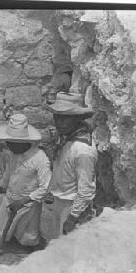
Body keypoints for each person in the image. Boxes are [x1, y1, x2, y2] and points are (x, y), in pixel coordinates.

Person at [41, 92, 98, 239]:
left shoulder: (83, 150)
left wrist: (72, 218)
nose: (59, 123)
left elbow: (86, 190)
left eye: (65, 118)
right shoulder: (67, 138)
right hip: (59, 201)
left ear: (77, 119)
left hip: (70, 206)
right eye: (57, 117)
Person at [0, 113, 52, 249]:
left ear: (26, 142)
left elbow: (45, 188)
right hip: (11, 198)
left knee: (28, 235)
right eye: (8, 142)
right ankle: (6, 243)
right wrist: (0, 187)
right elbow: (9, 173)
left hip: (28, 204)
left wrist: (23, 201)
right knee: (4, 226)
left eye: (13, 143)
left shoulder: (40, 159)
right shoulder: (14, 153)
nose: (10, 146)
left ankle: (29, 253)